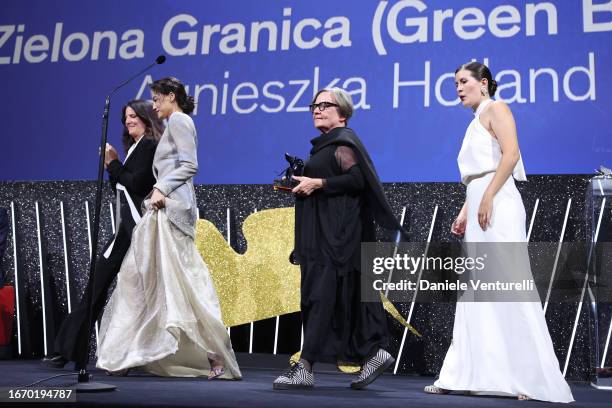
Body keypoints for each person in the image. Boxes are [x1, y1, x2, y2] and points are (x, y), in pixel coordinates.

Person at [424, 62, 574, 402]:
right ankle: (463, 373)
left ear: (484, 83)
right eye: (455, 84)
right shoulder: (474, 121)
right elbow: (477, 174)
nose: (458, 88)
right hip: (480, 205)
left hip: (499, 206)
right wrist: (465, 210)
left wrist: (488, 196)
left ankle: (529, 379)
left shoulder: (497, 109)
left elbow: (511, 155)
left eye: (464, 82)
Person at [96, 77, 241, 380]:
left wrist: (161, 188)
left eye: (157, 99)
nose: (154, 105)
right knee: (141, 275)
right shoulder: (173, 123)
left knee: (182, 280)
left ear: (171, 96)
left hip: (174, 210)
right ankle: (131, 351)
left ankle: (215, 355)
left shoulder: (180, 120)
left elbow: (190, 165)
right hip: (161, 209)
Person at [273, 87, 406, 390]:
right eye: (314, 106)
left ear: (342, 113)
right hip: (324, 235)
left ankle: (305, 367)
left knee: (319, 298)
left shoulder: (344, 142)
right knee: (341, 297)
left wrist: (319, 182)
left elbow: (358, 179)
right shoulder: (324, 146)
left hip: (336, 238)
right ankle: (376, 351)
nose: (317, 110)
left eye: (325, 105)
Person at [43, 100, 162, 369]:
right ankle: (71, 352)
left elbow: (137, 184)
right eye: (125, 117)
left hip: (135, 230)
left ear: (145, 118)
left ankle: (80, 352)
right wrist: (114, 166)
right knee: (96, 288)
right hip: (125, 230)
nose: (128, 120)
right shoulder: (135, 148)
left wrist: (113, 164)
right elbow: (120, 188)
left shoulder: (149, 146)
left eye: (133, 116)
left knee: (129, 294)